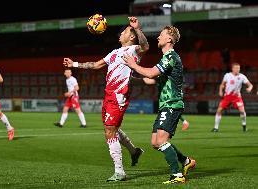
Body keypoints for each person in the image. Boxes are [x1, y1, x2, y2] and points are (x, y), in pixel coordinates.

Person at [63, 16, 149, 181]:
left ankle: (120, 171)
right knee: (111, 128)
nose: (120, 34)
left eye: (124, 32)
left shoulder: (133, 50)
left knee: (109, 131)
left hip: (118, 95)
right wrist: (74, 64)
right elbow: (95, 65)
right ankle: (134, 151)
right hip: (108, 94)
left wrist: (137, 28)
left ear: (131, 37)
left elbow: (145, 46)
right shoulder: (114, 52)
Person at [122, 25, 196, 184]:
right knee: (156, 142)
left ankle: (177, 175)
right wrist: (133, 80)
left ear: (169, 39)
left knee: (161, 141)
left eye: (161, 35)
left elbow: (150, 73)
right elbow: (151, 79)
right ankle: (185, 161)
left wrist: (133, 65)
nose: (158, 37)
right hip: (166, 105)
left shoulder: (171, 57)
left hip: (172, 104)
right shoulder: (166, 58)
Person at [211, 62, 253, 132]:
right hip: (227, 97)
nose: (237, 70)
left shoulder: (242, 76)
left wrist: (249, 88)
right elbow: (222, 85)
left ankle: (244, 126)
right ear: (232, 69)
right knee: (219, 110)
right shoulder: (227, 75)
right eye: (236, 68)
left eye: (238, 68)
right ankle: (216, 128)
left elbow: (250, 85)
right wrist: (220, 91)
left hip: (236, 97)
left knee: (242, 111)